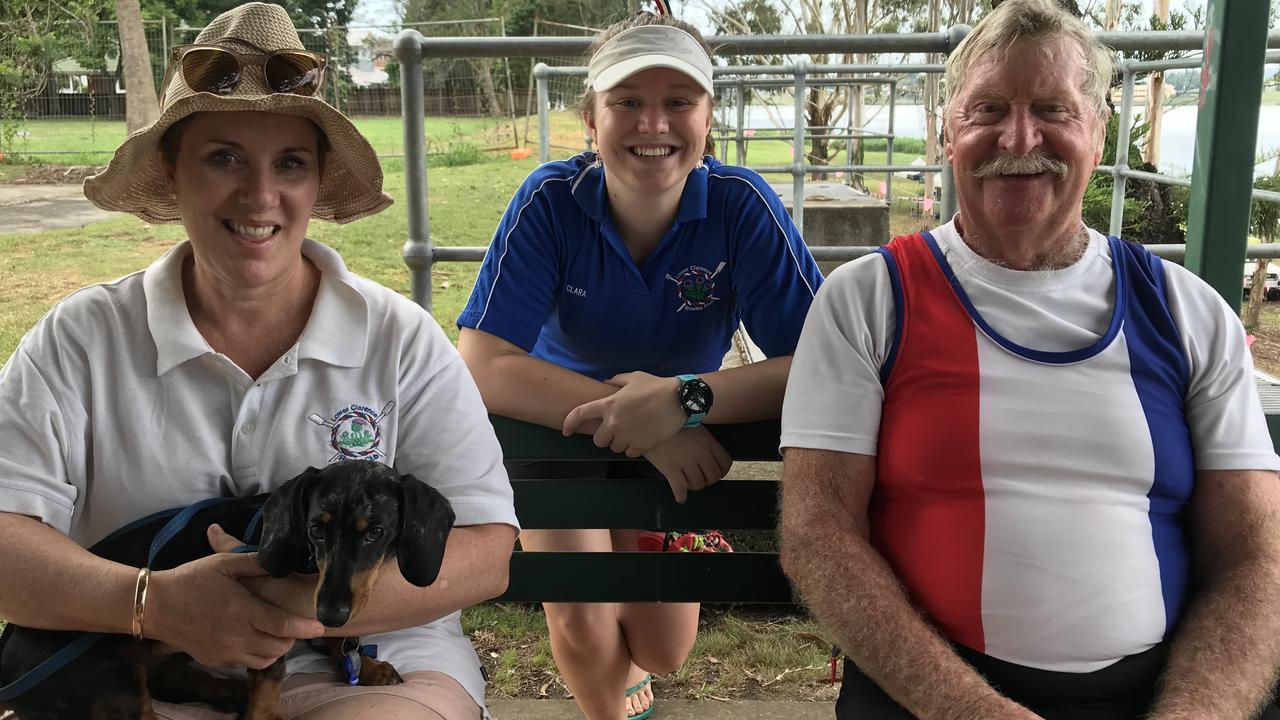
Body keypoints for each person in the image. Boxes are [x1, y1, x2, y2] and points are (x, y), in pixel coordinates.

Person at [0, 4, 518, 719]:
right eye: (223, 157)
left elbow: (488, 551)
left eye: (291, 164)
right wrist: (152, 603)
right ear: (172, 172)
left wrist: (282, 604)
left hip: (367, 665)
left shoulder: (399, 337)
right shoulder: (79, 339)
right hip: (134, 669)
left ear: (316, 184)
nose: (260, 195)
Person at [779, 0, 1280, 718]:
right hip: (929, 699)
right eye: (987, 109)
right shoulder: (867, 300)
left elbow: (1256, 557)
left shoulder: (1187, 310)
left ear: (1099, 131)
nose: (1019, 137)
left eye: (1053, 107)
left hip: (1162, 693)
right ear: (947, 132)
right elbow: (817, 534)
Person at [455, 11, 823, 720]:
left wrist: (685, 399)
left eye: (678, 102)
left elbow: (818, 361)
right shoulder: (549, 202)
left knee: (663, 648)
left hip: (678, 429)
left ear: (708, 118)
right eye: (626, 102)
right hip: (558, 430)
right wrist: (650, 418)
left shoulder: (742, 207)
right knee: (585, 620)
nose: (652, 124)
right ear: (590, 119)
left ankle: (636, 645)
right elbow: (482, 359)